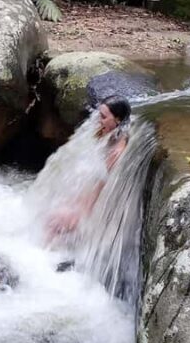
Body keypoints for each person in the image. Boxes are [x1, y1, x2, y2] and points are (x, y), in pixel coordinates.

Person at [46, 95, 131, 238]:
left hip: (92, 211)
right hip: (82, 196)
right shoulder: (109, 134)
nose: (99, 120)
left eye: (103, 117)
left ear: (117, 120)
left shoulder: (115, 154)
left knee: (51, 224)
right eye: (99, 115)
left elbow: (101, 189)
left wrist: (78, 215)